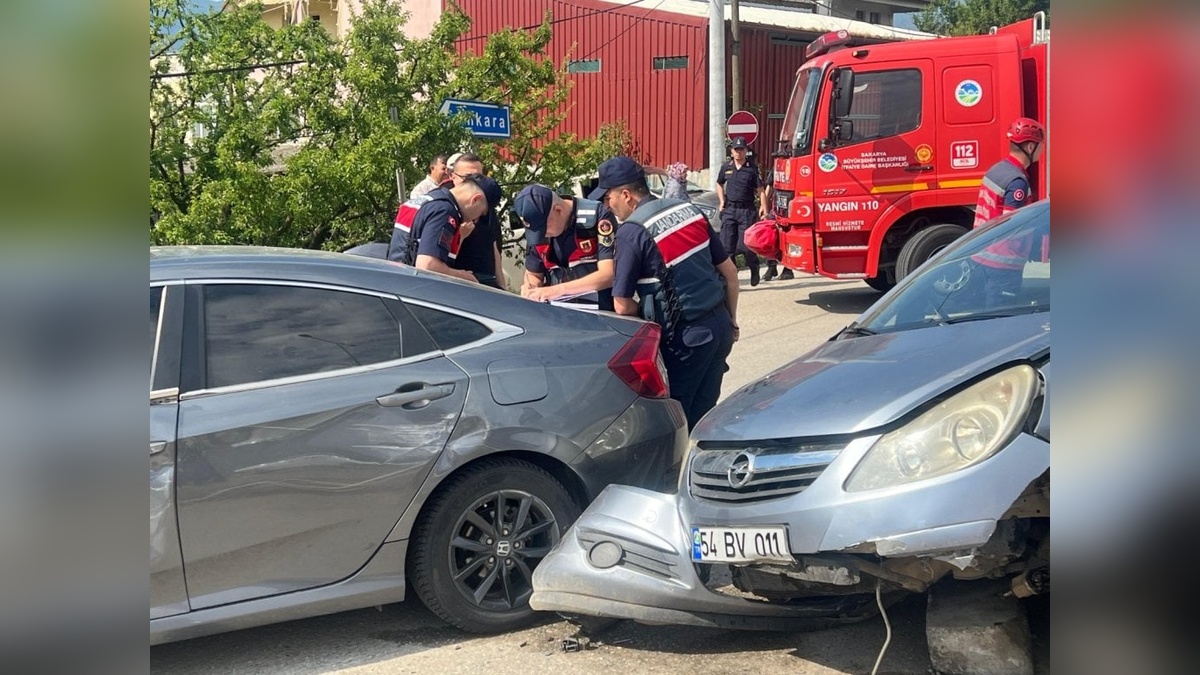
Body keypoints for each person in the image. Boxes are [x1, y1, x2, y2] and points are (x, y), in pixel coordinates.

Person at [591, 156, 740, 430]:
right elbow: (730, 274)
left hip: (685, 341)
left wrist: (649, 311)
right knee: (707, 415)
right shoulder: (688, 210)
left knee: (677, 423)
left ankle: (682, 470)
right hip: (719, 329)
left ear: (626, 195)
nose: (606, 205)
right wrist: (731, 321)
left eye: (608, 197)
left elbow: (622, 306)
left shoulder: (631, 233)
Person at [968, 117, 1046, 307]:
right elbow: (1014, 228)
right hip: (1003, 265)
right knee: (1000, 320)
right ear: (1030, 147)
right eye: (1041, 145)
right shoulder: (1017, 181)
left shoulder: (997, 170)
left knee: (985, 315)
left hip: (983, 255)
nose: (1043, 151)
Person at [513, 184, 617, 310]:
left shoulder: (597, 216)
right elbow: (533, 274)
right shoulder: (538, 233)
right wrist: (530, 288)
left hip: (604, 313)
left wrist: (557, 290)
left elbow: (608, 274)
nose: (543, 234)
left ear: (558, 210)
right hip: (559, 316)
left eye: (544, 228)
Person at [387, 173, 502, 284]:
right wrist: (465, 277)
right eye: (481, 213)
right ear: (476, 199)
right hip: (412, 290)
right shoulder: (444, 211)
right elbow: (427, 266)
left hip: (396, 283)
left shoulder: (427, 199)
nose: (476, 220)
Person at [442, 152, 507, 289]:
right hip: (459, 282)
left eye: (479, 177)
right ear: (452, 176)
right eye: (468, 178)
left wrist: (502, 287)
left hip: (487, 280)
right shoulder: (443, 207)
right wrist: (460, 236)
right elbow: (436, 262)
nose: (475, 182)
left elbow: (494, 245)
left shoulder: (483, 203)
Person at [716, 137, 769, 286]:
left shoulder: (751, 168)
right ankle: (731, 275)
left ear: (746, 151)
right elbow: (719, 184)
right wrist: (721, 201)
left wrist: (764, 208)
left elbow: (761, 190)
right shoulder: (726, 167)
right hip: (730, 210)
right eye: (736, 150)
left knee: (746, 247)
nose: (739, 153)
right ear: (731, 151)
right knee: (727, 247)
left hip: (746, 210)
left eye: (741, 149)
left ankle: (754, 267)